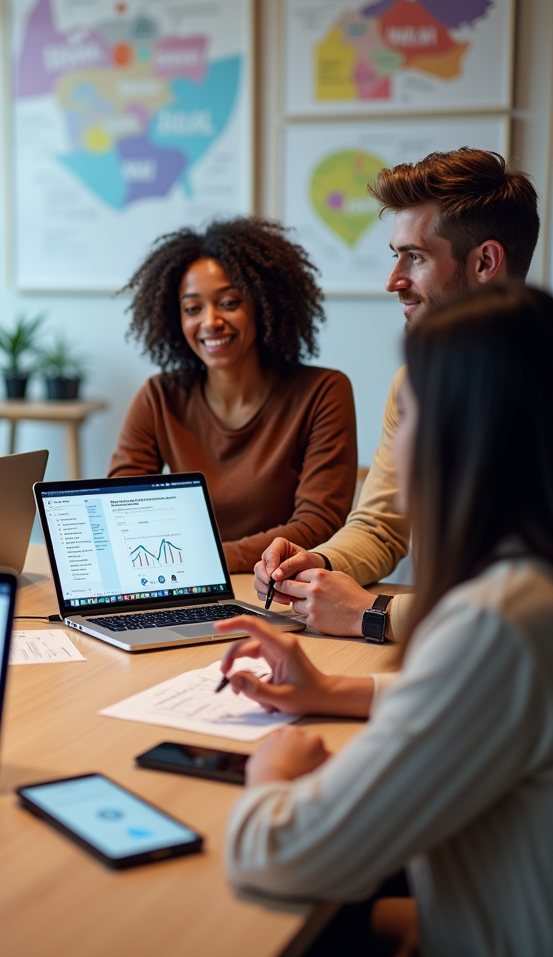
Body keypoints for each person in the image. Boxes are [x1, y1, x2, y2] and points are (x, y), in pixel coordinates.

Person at [220, 283, 553, 957]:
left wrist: (271, 770)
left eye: (415, 411)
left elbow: (278, 851)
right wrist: (335, 691)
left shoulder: (497, 621)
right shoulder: (529, 587)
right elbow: (489, 703)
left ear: (466, 432)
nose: (398, 449)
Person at [253, 149, 541, 642]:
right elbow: (382, 525)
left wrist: (376, 612)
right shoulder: (412, 383)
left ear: (485, 262)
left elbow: (528, 608)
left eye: (416, 256)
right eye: (395, 256)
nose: (394, 282)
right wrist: (317, 563)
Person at [109, 217, 357, 572]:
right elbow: (122, 506)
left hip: (276, 588)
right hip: (184, 583)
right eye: (193, 308)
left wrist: (208, 559)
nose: (210, 321)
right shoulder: (159, 396)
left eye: (228, 302)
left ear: (263, 304)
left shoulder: (322, 393)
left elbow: (318, 522)